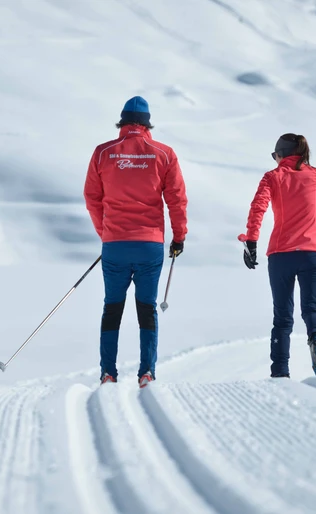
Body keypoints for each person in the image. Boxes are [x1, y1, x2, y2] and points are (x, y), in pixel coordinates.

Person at [84, 96, 188, 388]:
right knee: (146, 307)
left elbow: (92, 197)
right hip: (149, 245)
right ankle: (146, 372)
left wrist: (105, 232)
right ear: (147, 124)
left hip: (115, 244)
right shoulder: (164, 154)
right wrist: (179, 236)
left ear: (122, 122)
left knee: (112, 307)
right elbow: (176, 199)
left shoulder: (103, 153)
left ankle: (108, 372)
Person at [238, 133, 316, 378]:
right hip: (314, 254)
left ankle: (280, 372)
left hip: (281, 254)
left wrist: (251, 240)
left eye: (276, 155)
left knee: (283, 317)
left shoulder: (272, 177)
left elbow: (258, 207)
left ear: (281, 155)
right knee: (312, 309)